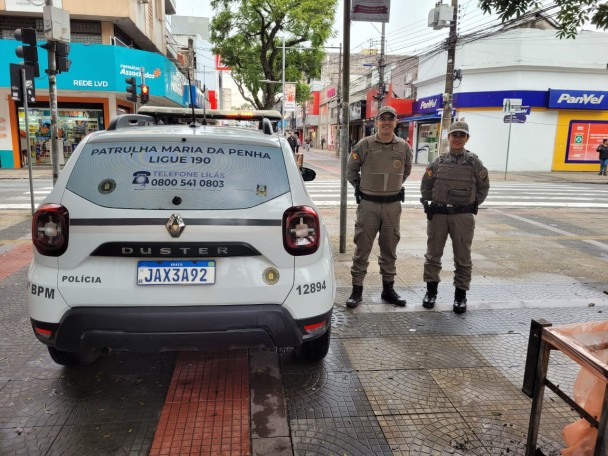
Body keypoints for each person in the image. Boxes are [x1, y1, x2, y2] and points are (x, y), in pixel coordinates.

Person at [345, 106, 413, 308]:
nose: (386, 123)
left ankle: (388, 289)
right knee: (362, 247)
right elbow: (351, 171)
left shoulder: (404, 147)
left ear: (395, 122)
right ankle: (356, 290)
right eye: (382, 119)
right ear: (376, 122)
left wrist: (392, 187)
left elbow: (406, 171)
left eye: (390, 119)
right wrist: (362, 188)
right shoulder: (364, 145)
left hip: (392, 205)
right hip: (368, 205)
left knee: (390, 248)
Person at [419, 120, 490, 314]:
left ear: (467, 139)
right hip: (439, 216)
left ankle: (460, 296)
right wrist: (430, 202)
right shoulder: (439, 161)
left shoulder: (474, 162)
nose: (457, 139)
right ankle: (431, 292)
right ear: (449, 137)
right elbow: (426, 185)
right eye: (454, 135)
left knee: (463, 257)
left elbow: (483, 186)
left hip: (462, 217)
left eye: (462, 135)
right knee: (433, 255)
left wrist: (471, 204)